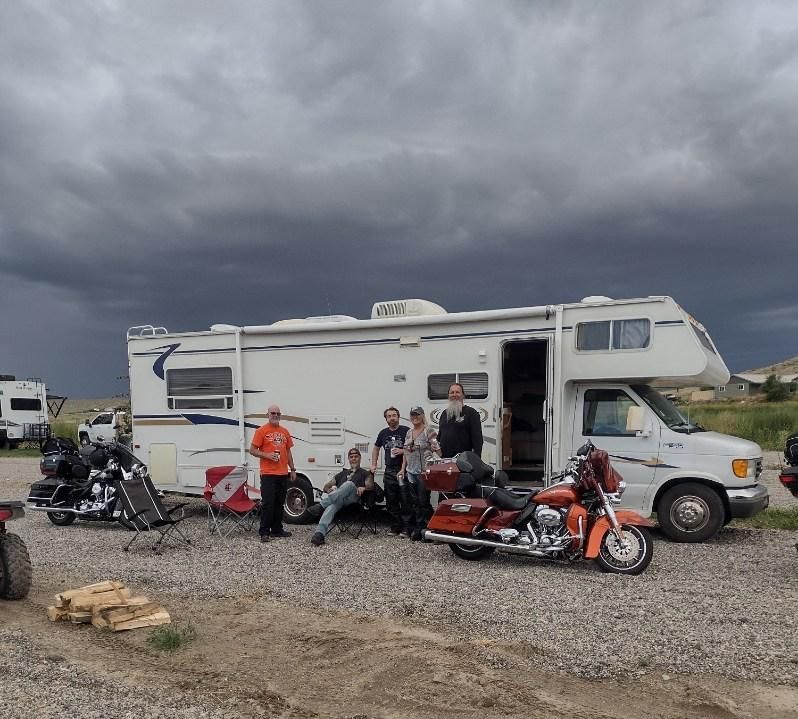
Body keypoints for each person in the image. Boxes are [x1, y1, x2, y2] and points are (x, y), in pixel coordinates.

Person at [249, 405, 297, 543]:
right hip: (268, 473)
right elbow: (252, 450)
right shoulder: (261, 431)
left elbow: (288, 452)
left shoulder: (285, 431)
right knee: (268, 503)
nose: (275, 415)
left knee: (279, 503)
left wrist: (292, 469)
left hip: (282, 473)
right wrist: (267, 455)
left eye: (278, 413)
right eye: (273, 413)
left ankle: (277, 530)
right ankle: (264, 531)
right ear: (267, 414)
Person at [310, 448, 375, 546]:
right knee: (331, 506)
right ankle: (319, 534)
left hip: (353, 500)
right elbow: (326, 486)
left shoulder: (365, 473)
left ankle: (321, 505)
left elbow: (371, 486)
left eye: (356, 457)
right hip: (339, 500)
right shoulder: (342, 473)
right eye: (351, 457)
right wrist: (329, 490)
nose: (354, 459)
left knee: (348, 484)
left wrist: (364, 488)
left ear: (360, 458)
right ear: (348, 459)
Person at [398, 406, 439, 541]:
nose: (414, 417)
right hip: (411, 471)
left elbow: (439, 451)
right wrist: (403, 468)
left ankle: (429, 529)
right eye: (412, 414)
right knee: (414, 502)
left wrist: (435, 449)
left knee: (424, 501)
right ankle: (418, 528)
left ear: (422, 415)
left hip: (424, 472)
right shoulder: (409, 432)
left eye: (417, 414)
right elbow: (405, 452)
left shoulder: (429, 431)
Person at [370, 407, 410, 536]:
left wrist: (402, 451)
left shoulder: (406, 431)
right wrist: (373, 464)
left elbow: (412, 449)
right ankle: (395, 527)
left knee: (405, 499)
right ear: (386, 419)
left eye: (394, 415)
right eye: (389, 416)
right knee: (391, 499)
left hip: (404, 469)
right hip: (389, 470)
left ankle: (406, 528)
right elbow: (376, 449)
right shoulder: (383, 433)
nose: (392, 418)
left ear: (398, 417)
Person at [437, 382, 483, 458]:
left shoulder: (472, 413)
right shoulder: (444, 414)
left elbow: (478, 440)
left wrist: (476, 461)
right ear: (448, 396)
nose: (454, 395)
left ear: (463, 395)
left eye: (457, 392)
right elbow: (440, 436)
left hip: (464, 461)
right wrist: (435, 444)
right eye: (452, 392)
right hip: (445, 460)